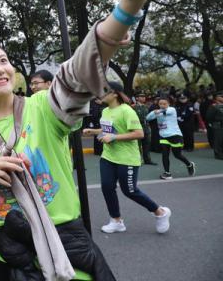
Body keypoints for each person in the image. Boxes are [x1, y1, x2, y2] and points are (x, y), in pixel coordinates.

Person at [0, 0, 149, 280]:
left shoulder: (45, 107)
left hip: (64, 253)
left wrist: (129, 4)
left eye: (3, 60)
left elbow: (78, 73)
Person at [83, 82, 170, 234]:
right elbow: (109, 129)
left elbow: (139, 133)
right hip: (108, 157)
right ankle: (116, 221)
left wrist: (113, 137)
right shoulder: (106, 111)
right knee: (107, 187)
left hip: (127, 158)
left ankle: (160, 212)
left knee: (130, 191)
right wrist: (94, 131)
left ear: (115, 93)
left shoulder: (127, 111)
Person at [146, 97, 195, 180]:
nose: (162, 105)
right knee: (165, 154)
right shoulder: (158, 112)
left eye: (164, 104)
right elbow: (148, 118)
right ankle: (167, 173)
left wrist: (157, 111)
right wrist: (154, 112)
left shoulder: (172, 109)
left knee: (177, 155)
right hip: (163, 136)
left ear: (168, 104)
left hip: (175, 135)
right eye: (160, 104)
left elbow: (165, 111)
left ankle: (189, 164)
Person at [133, 91, 157, 164]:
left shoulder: (146, 106)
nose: (143, 98)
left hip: (146, 126)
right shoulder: (133, 107)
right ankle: (138, 159)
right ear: (137, 98)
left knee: (147, 144)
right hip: (138, 126)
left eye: (144, 96)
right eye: (141, 96)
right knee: (137, 145)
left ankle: (147, 160)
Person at [205, 91, 223, 160]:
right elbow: (209, 117)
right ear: (216, 98)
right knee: (218, 141)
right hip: (218, 125)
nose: (222, 98)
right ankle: (218, 155)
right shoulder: (213, 106)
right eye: (221, 96)